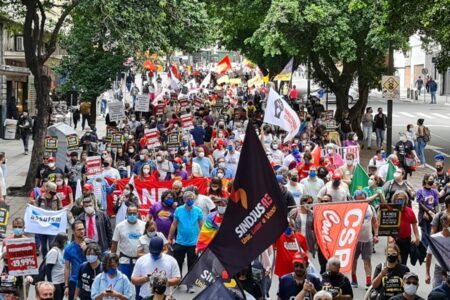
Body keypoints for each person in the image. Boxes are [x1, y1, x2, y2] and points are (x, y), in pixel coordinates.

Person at [168, 191, 203, 292]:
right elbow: (174, 224)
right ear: (184, 200)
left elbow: (201, 225)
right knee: (178, 262)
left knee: (192, 264)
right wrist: (170, 238)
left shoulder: (198, 210)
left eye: (192, 198)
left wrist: (202, 240)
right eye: (188, 198)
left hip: (193, 243)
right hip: (180, 242)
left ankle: (190, 285)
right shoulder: (178, 210)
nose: (190, 200)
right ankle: (177, 281)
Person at [351, 190, 379, 289]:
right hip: (354, 240)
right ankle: (354, 280)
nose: (361, 201)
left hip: (368, 239)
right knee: (353, 260)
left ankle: (368, 281)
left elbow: (375, 222)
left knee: (367, 260)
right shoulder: (351, 208)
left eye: (363, 199)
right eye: (359, 200)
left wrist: (376, 235)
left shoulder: (370, 208)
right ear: (355, 199)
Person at [111, 203, 146, 280]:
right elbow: (114, 244)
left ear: (138, 213)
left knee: (140, 286)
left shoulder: (144, 225)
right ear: (126, 214)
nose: (132, 215)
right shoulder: (119, 226)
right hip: (124, 261)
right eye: (130, 213)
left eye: (134, 213)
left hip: (140, 261)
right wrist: (112, 260)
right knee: (123, 285)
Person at [389, 191, 420, 264]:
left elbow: (414, 225)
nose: (400, 201)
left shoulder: (409, 211)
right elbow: (387, 226)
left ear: (405, 200)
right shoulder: (391, 210)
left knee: (403, 261)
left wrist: (417, 237)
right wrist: (390, 237)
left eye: (402, 199)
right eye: (398, 199)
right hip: (394, 239)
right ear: (394, 200)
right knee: (392, 260)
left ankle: (402, 274)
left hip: (406, 240)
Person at [64, 220, 87, 300]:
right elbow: (67, 267)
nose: (82, 231)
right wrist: (66, 286)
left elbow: (96, 262)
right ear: (73, 231)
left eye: (83, 229)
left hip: (87, 281)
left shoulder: (91, 244)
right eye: (79, 229)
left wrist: (86, 250)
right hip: (74, 281)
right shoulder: (68, 248)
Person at [426, 213, 450, 288]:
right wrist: (427, 273)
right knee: (437, 290)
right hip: (439, 269)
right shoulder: (434, 238)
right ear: (444, 224)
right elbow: (429, 256)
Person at [45, 233, 68, 300]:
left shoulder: (63, 250)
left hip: (62, 281)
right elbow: (48, 269)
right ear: (60, 241)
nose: (67, 242)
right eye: (65, 240)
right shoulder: (54, 251)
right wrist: (50, 284)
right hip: (55, 282)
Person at [416, 174, 439, 239]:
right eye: (430, 179)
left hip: (432, 215)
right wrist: (428, 211)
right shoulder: (420, 191)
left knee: (430, 234)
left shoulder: (434, 192)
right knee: (424, 234)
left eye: (433, 180)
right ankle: (424, 248)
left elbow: (436, 204)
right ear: (426, 180)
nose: (432, 181)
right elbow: (420, 204)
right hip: (423, 214)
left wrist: (436, 214)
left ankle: (429, 248)